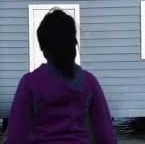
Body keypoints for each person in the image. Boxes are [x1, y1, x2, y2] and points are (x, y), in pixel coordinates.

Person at [6, 8, 117, 143]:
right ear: (73, 43)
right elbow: (106, 136)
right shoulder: (89, 82)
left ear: (43, 47)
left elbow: (16, 138)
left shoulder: (30, 83)